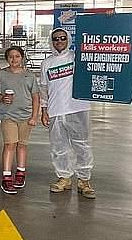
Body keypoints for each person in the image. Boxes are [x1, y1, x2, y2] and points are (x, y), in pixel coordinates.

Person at [40, 28, 96, 199]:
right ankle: (64, 177)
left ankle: (84, 181)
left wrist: (108, 19)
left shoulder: (77, 58)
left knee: (82, 145)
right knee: (59, 147)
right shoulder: (47, 63)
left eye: (63, 38)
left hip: (78, 108)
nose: (59, 41)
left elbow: (98, 47)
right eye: (56, 39)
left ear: (68, 39)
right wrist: (44, 110)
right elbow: (44, 89)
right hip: (55, 110)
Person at [0, 46, 39, 194]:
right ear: (7, 59)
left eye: (17, 56)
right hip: (8, 115)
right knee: (10, 144)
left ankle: (20, 173)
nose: (14, 59)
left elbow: (35, 97)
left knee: (22, 145)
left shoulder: (30, 76)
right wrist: (2, 98)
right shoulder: (1, 74)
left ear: (22, 58)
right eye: (11, 57)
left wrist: (34, 116)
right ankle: (6, 177)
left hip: (25, 116)